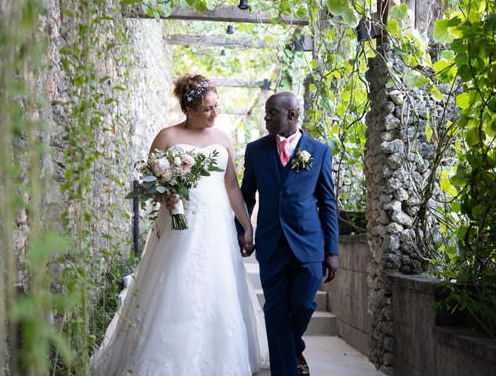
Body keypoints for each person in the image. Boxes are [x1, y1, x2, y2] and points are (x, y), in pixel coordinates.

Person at [90, 74, 268, 376]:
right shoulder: (167, 137)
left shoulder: (223, 139)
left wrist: (246, 226)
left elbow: (232, 188)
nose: (215, 113)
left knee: (218, 286)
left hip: (216, 226)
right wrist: (167, 199)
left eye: (216, 106)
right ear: (188, 109)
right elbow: (152, 182)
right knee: (176, 281)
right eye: (207, 109)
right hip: (180, 225)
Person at [236, 92, 339, 376]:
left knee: (303, 306)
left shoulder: (318, 151)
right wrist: (243, 230)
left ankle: (294, 347)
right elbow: (246, 196)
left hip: (309, 244)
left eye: (272, 113)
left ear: (292, 114)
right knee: (276, 311)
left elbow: (327, 202)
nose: (266, 118)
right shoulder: (256, 150)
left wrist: (332, 251)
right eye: (266, 113)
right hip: (271, 244)